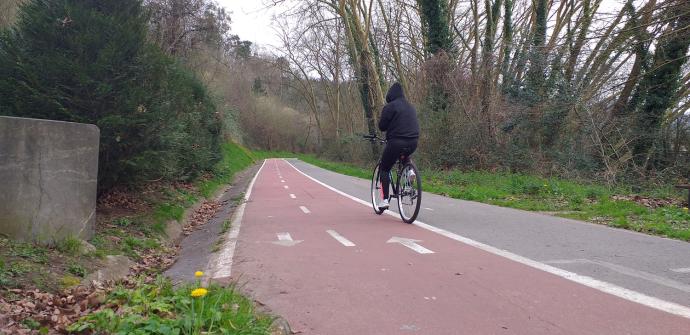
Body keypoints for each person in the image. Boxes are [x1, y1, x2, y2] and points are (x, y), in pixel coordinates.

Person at [376, 82, 420, 210]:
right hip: (413, 141)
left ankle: (384, 200)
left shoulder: (390, 107)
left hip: (396, 142)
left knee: (384, 168)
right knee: (405, 154)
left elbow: (382, 126)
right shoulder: (411, 107)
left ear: (390, 96)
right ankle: (409, 173)